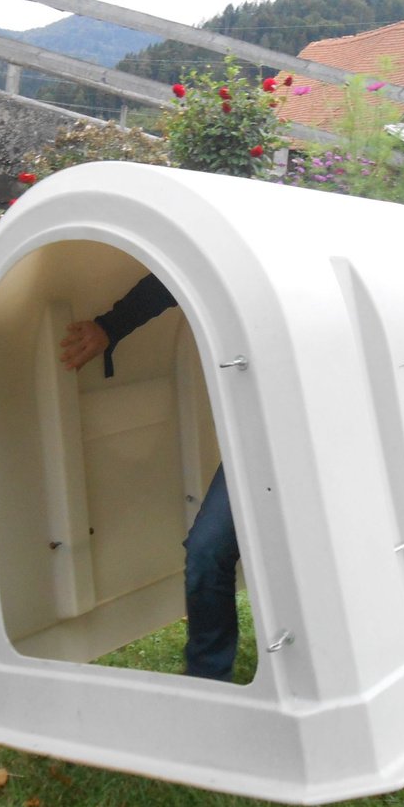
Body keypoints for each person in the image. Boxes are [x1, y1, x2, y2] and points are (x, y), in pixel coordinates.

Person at [59, 274, 241, 682]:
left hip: (330, 438)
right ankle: (209, 683)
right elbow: (173, 277)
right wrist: (110, 327)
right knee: (207, 551)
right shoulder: (230, 251)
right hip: (257, 442)